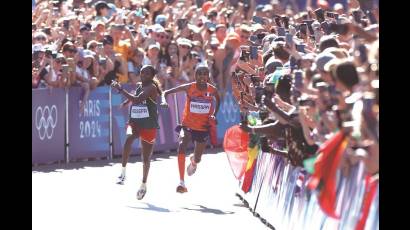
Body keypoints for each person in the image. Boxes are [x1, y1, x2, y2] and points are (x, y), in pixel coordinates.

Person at [160, 64, 220, 193]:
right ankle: (181, 182)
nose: (202, 76)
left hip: (203, 127)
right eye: (199, 74)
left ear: (208, 76)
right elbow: (166, 92)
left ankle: (193, 161)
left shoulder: (212, 90)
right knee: (181, 145)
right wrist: (164, 101)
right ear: (195, 76)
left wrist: (214, 114)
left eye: (205, 74)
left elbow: (218, 100)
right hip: (187, 125)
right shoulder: (189, 87)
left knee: (198, 158)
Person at [111, 65, 162, 200]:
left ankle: (144, 184)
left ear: (152, 76)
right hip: (135, 121)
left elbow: (138, 99)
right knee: (128, 139)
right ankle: (123, 172)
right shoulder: (140, 85)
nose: (144, 75)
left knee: (145, 158)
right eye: (142, 73)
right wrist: (126, 103)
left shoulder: (152, 87)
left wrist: (121, 90)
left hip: (148, 125)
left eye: (147, 74)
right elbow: (134, 96)